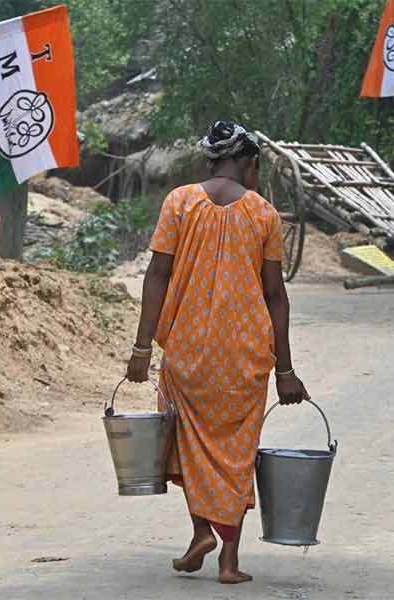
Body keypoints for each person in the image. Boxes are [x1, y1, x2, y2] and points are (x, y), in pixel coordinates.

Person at [126, 121, 309, 584]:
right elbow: (275, 297)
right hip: (245, 354)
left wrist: (141, 347)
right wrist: (285, 369)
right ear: (249, 164)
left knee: (187, 443)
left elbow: (157, 276)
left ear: (212, 160)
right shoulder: (264, 215)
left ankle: (200, 532)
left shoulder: (180, 202)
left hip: (187, 349)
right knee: (234, 452)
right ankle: (228, 561)